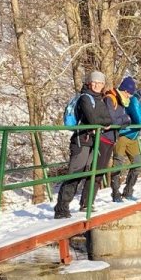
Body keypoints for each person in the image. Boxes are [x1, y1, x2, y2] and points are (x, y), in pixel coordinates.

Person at [54, 70, 113, 219]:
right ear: (89, 82)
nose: (97, 85)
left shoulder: (99, 99)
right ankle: (61, 208)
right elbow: (93, 119)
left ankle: (81, 204)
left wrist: (102, 122)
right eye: (94, 82)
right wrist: (102, 122)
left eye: (100, 83)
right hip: (81, 141)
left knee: (86, 173)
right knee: (75, 174)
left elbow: (108, 119)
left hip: (92, 141)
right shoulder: (85, 98)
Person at [96, 79, 132, 201]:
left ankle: (88, 202)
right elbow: (111, 120)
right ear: (126, 90)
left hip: (111, 138)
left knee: (100, 171)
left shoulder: (121, 101)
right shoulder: (110, 99)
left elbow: (122, 120)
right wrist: (125, 119)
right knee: (97, 170)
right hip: (103, 138)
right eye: (130, 93)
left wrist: (124, 119)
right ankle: (86, 203)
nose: (130, 96)